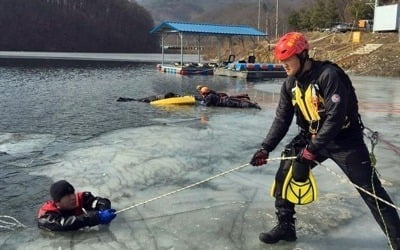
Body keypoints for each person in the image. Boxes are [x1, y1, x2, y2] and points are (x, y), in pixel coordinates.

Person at [249, 32, 400, 249]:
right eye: (281, 61)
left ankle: (396, 240)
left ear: (302, 55)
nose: (283, 65)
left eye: (287, 60)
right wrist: (265, 148)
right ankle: (286, 226)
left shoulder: (329, 75)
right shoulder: (290, 84)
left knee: (371, 191)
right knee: (286, 171)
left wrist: (312, 149)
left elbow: (336, 118)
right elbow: (282, 119)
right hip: (311, 137)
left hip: (345, 140)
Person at [37, 180, 117, 231]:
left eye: (72, 193)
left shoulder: (81, 198)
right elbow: (63, 224)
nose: (73, 197)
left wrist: (102, 210)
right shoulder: (46, 217)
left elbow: (100, 202)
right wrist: (96, 217)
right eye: (67, 195)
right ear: (58, 201)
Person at [196, 85, 261, 109]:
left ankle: (253, 105)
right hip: (225, 99)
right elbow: (205, 99)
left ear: (204, 93)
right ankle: (252, 103)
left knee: (239, 104)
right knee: (239, 101)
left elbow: (207, 105)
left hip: (226, 102)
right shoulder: (210, 94)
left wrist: (199, 103)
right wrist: (197, 98)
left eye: (202, 93)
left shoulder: (209, 97)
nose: (202, 94)